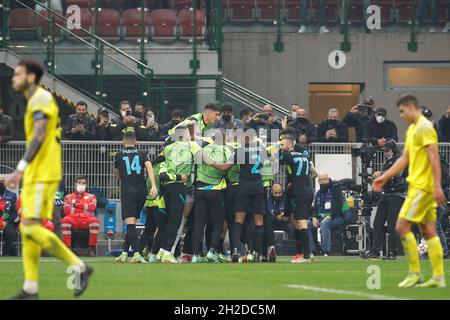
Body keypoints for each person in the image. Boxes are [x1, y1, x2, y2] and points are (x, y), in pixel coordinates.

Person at [5, 59, 92, 300]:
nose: (14, 78)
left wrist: (20, 168)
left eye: (18, 74)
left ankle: (79, 266)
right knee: (29, 228)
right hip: (39, 172)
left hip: (42, 173)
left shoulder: (41, 99)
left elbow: (40, 135)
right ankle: (30, 287)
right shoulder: (36, 100)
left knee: (29, 226)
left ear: (30, 77)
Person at [373, 94, 447, 288]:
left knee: (401, 226)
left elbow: (434, 158)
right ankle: (438, 277)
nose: (401, 115)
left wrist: (437, 185)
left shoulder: (424, 127)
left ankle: (415, 273)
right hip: (418, 187)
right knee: (429, 231)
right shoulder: (413, 129)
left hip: (423, 187)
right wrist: (386, 175)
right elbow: (404, 159)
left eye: (402, 111)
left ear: (411, 107)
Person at [114, 131, 157, 264]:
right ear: (136, 141)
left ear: (123, 141)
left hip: (128, 192)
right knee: (131, 222)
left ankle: (137, 253)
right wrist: (153, 186)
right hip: (142, 192)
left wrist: (121, 176)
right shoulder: (142, 153)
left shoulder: (119, 154)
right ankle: (124, 252)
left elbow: (117, 174)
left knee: (130, 225)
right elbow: (149, 166)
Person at [191, 130, 230, 263]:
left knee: (199, 223)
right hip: (216, 190)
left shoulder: (203, 149)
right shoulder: (226, 150)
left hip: (200, 189)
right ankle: (212, 251)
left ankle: (195, 255)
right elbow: (227, 169)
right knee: (218, 223)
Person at [363, 140, 406, 260]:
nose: (386, 152)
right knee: (377, 223)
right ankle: (375, 250)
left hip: (397, 195)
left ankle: (393, 252)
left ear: (393, 150)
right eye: (385, 150)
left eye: (387, 150)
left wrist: (381, 174)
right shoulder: (389, 160)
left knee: (393, 224)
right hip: (387, 194)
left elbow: (398, 173)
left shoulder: (399, 159)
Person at [279, 136, 316, 264]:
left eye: (282, 145)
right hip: (306, 190)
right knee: (296, 221)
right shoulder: (304, 156)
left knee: (302, 223)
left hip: (300, 193)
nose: (280, 147)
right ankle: (306, 252)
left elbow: (278, 161)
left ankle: (306, 255)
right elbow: (313, 172)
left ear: (289, 146)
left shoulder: (288, 155)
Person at [308, 172, 352, 256]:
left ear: (328, 179)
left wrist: (330, 216)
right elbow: (314, 208)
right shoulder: (318, 193)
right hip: (322, 217)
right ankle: (313, 250)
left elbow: (338, 205)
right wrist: (314, 217)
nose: (322, 181)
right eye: (320, 180)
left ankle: (325, 251)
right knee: (308, 224)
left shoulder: (336, 189)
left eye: (324, 179)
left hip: (337, 217)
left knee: (325, 223)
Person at [61, 176, 99, 257]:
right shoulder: (68, 197)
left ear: (86, 185)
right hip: (73, 220)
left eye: (83, 183)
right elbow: (66, 210)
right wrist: (84, 207)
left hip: (86, 220)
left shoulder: (92, 197)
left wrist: (75, 205)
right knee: (65, 220)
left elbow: (91, 208)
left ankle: (91, 248)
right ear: (75, 184)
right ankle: (67, 248)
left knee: (95, 221)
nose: (81, 185)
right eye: (79, 183)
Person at [263, 182, 287, 263]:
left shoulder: (287, 200)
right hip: (272, 223)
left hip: (285, 223)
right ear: (272, 192)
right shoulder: (267, 201)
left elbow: (291, 213)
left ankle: (299, 252)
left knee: (294, 228)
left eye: (279, 193)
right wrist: (276, 218)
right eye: (275, 193)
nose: (277, 195)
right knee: (267, 225)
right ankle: (271, 249)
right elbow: (267, 215)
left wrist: (286, 216)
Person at [0, 177, 19, 256]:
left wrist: (6, 221)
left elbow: (14, 212)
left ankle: (6, 253)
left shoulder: (12, 195)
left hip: (8, 221)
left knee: (10, 233)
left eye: (2, 182)